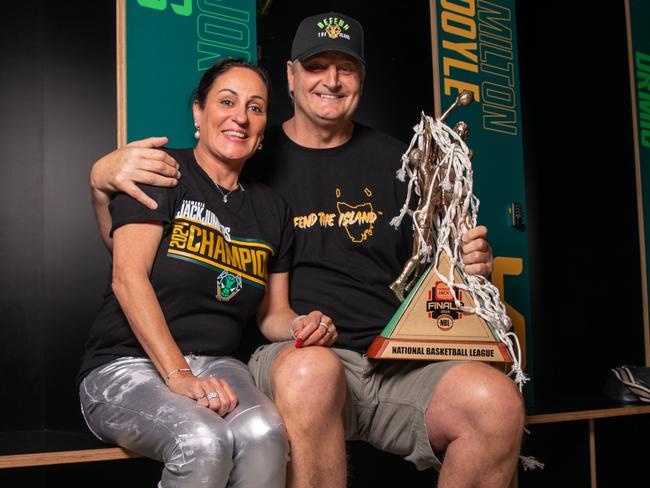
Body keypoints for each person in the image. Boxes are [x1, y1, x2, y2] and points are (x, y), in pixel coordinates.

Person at [89, 12, 525, 488]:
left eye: (347, 68)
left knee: (496, 403)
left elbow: (435, 266)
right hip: (301, 363)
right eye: (317, 66)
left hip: (395, 362)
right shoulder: (248, 153)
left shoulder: (402, 163)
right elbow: (131, 259)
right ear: (292, 76)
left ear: (362, 79)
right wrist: (99, 182)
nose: (332, 81)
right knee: (310, 371)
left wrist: (462, 266)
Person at [77, 57, 338, 488]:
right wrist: (179, 374)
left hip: (218, 364)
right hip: (125, 365)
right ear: (199, 112)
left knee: (265, 434)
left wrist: (304, 325)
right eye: (227, 101)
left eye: (255, 107)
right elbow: (127, 278)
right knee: (203, 440)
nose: (241, 116)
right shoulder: (160, 172)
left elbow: (272, 314)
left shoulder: (273, 209)